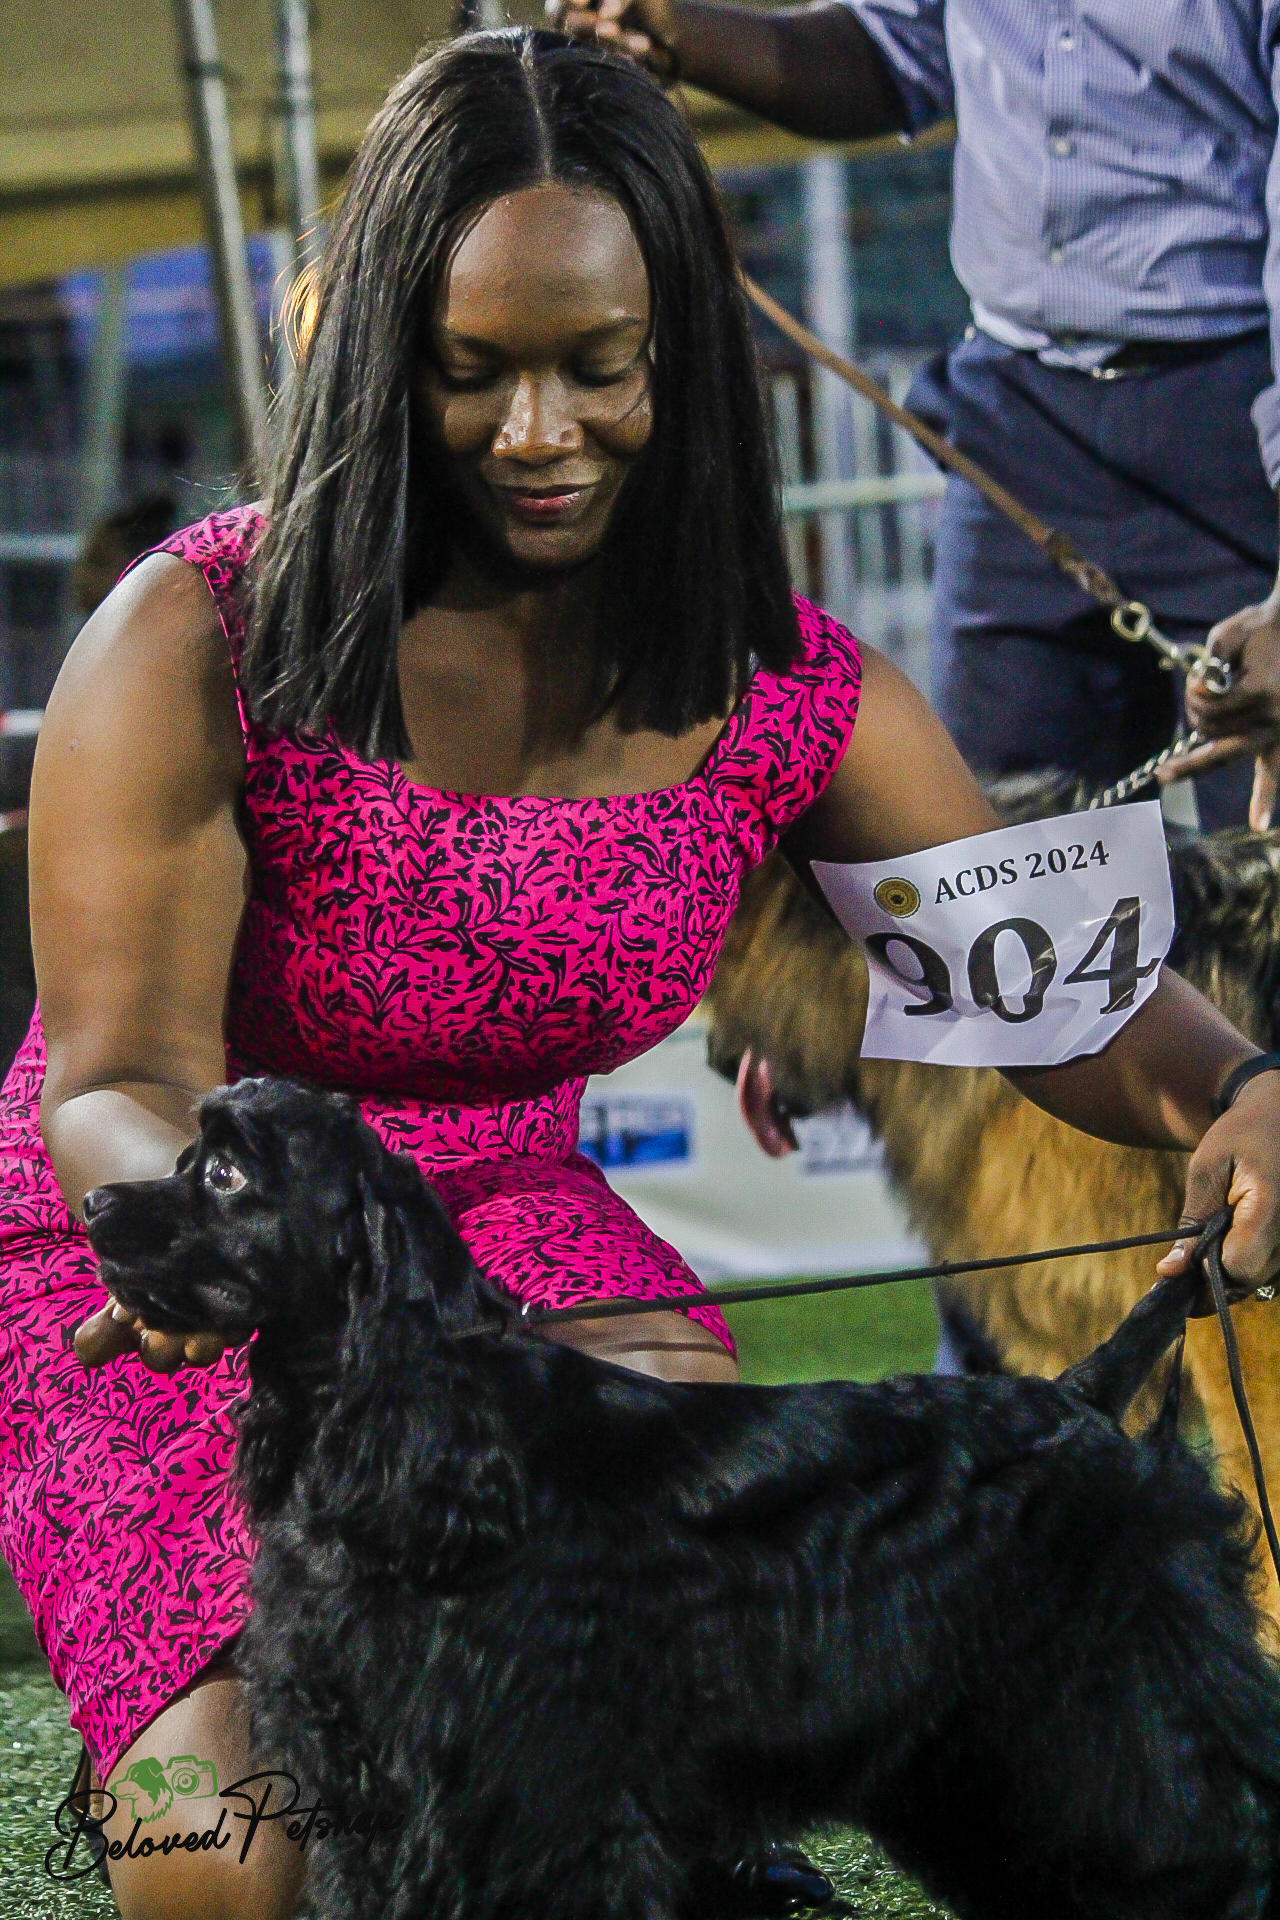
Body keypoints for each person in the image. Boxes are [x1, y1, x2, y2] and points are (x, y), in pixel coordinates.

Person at [3, 30, 1279, 1920]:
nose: (540, 430)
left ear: (682, 356)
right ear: (378, 358)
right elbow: (117, 1076)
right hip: (185, 1259)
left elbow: (1049, 987)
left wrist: (1241, 1093)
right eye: (471, 370)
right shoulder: (192, 638)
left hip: (509, 1225)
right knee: (246, 1865)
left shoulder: (786, 682)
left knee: (662, 1646)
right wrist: (184, 1244)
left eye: (598, 366)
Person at [550, 0, 1280, 829]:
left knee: (1263, 857)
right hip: (1019, 424)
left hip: (1241, 414)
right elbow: (893, 53)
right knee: (995, 864)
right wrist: (678, 28)